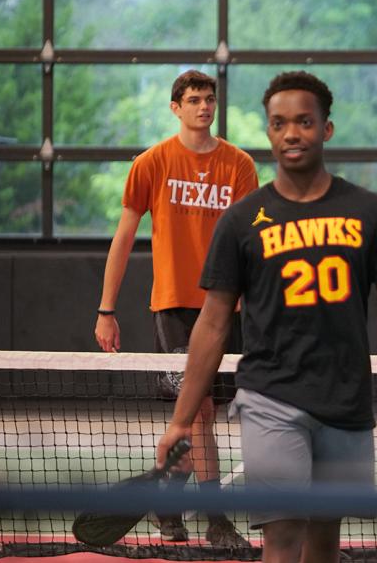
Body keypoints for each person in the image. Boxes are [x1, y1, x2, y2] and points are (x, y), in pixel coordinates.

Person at [156, 70, 377, 563]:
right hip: (269, 399)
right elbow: (213, 324)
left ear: (326, 128)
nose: (291, 133)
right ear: (268, 133)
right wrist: (179, 421)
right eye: (279, 124)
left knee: (323, 543)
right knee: (281, 537)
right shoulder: (242, 221)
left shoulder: (371, 212)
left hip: (346, 403)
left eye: (304, 121)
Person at [94, 69, 257, 547]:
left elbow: (251, 242)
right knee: (201, 411)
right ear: (175, 107)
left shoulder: (239, 165)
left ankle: (167, 499)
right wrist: (106, 309)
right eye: (193, 99)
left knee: (197, 414)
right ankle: (217, 519)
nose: (203, 106)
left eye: (209, 99)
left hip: (227, 310)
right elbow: (123, 238)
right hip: (174, 308)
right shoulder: (151, 163)